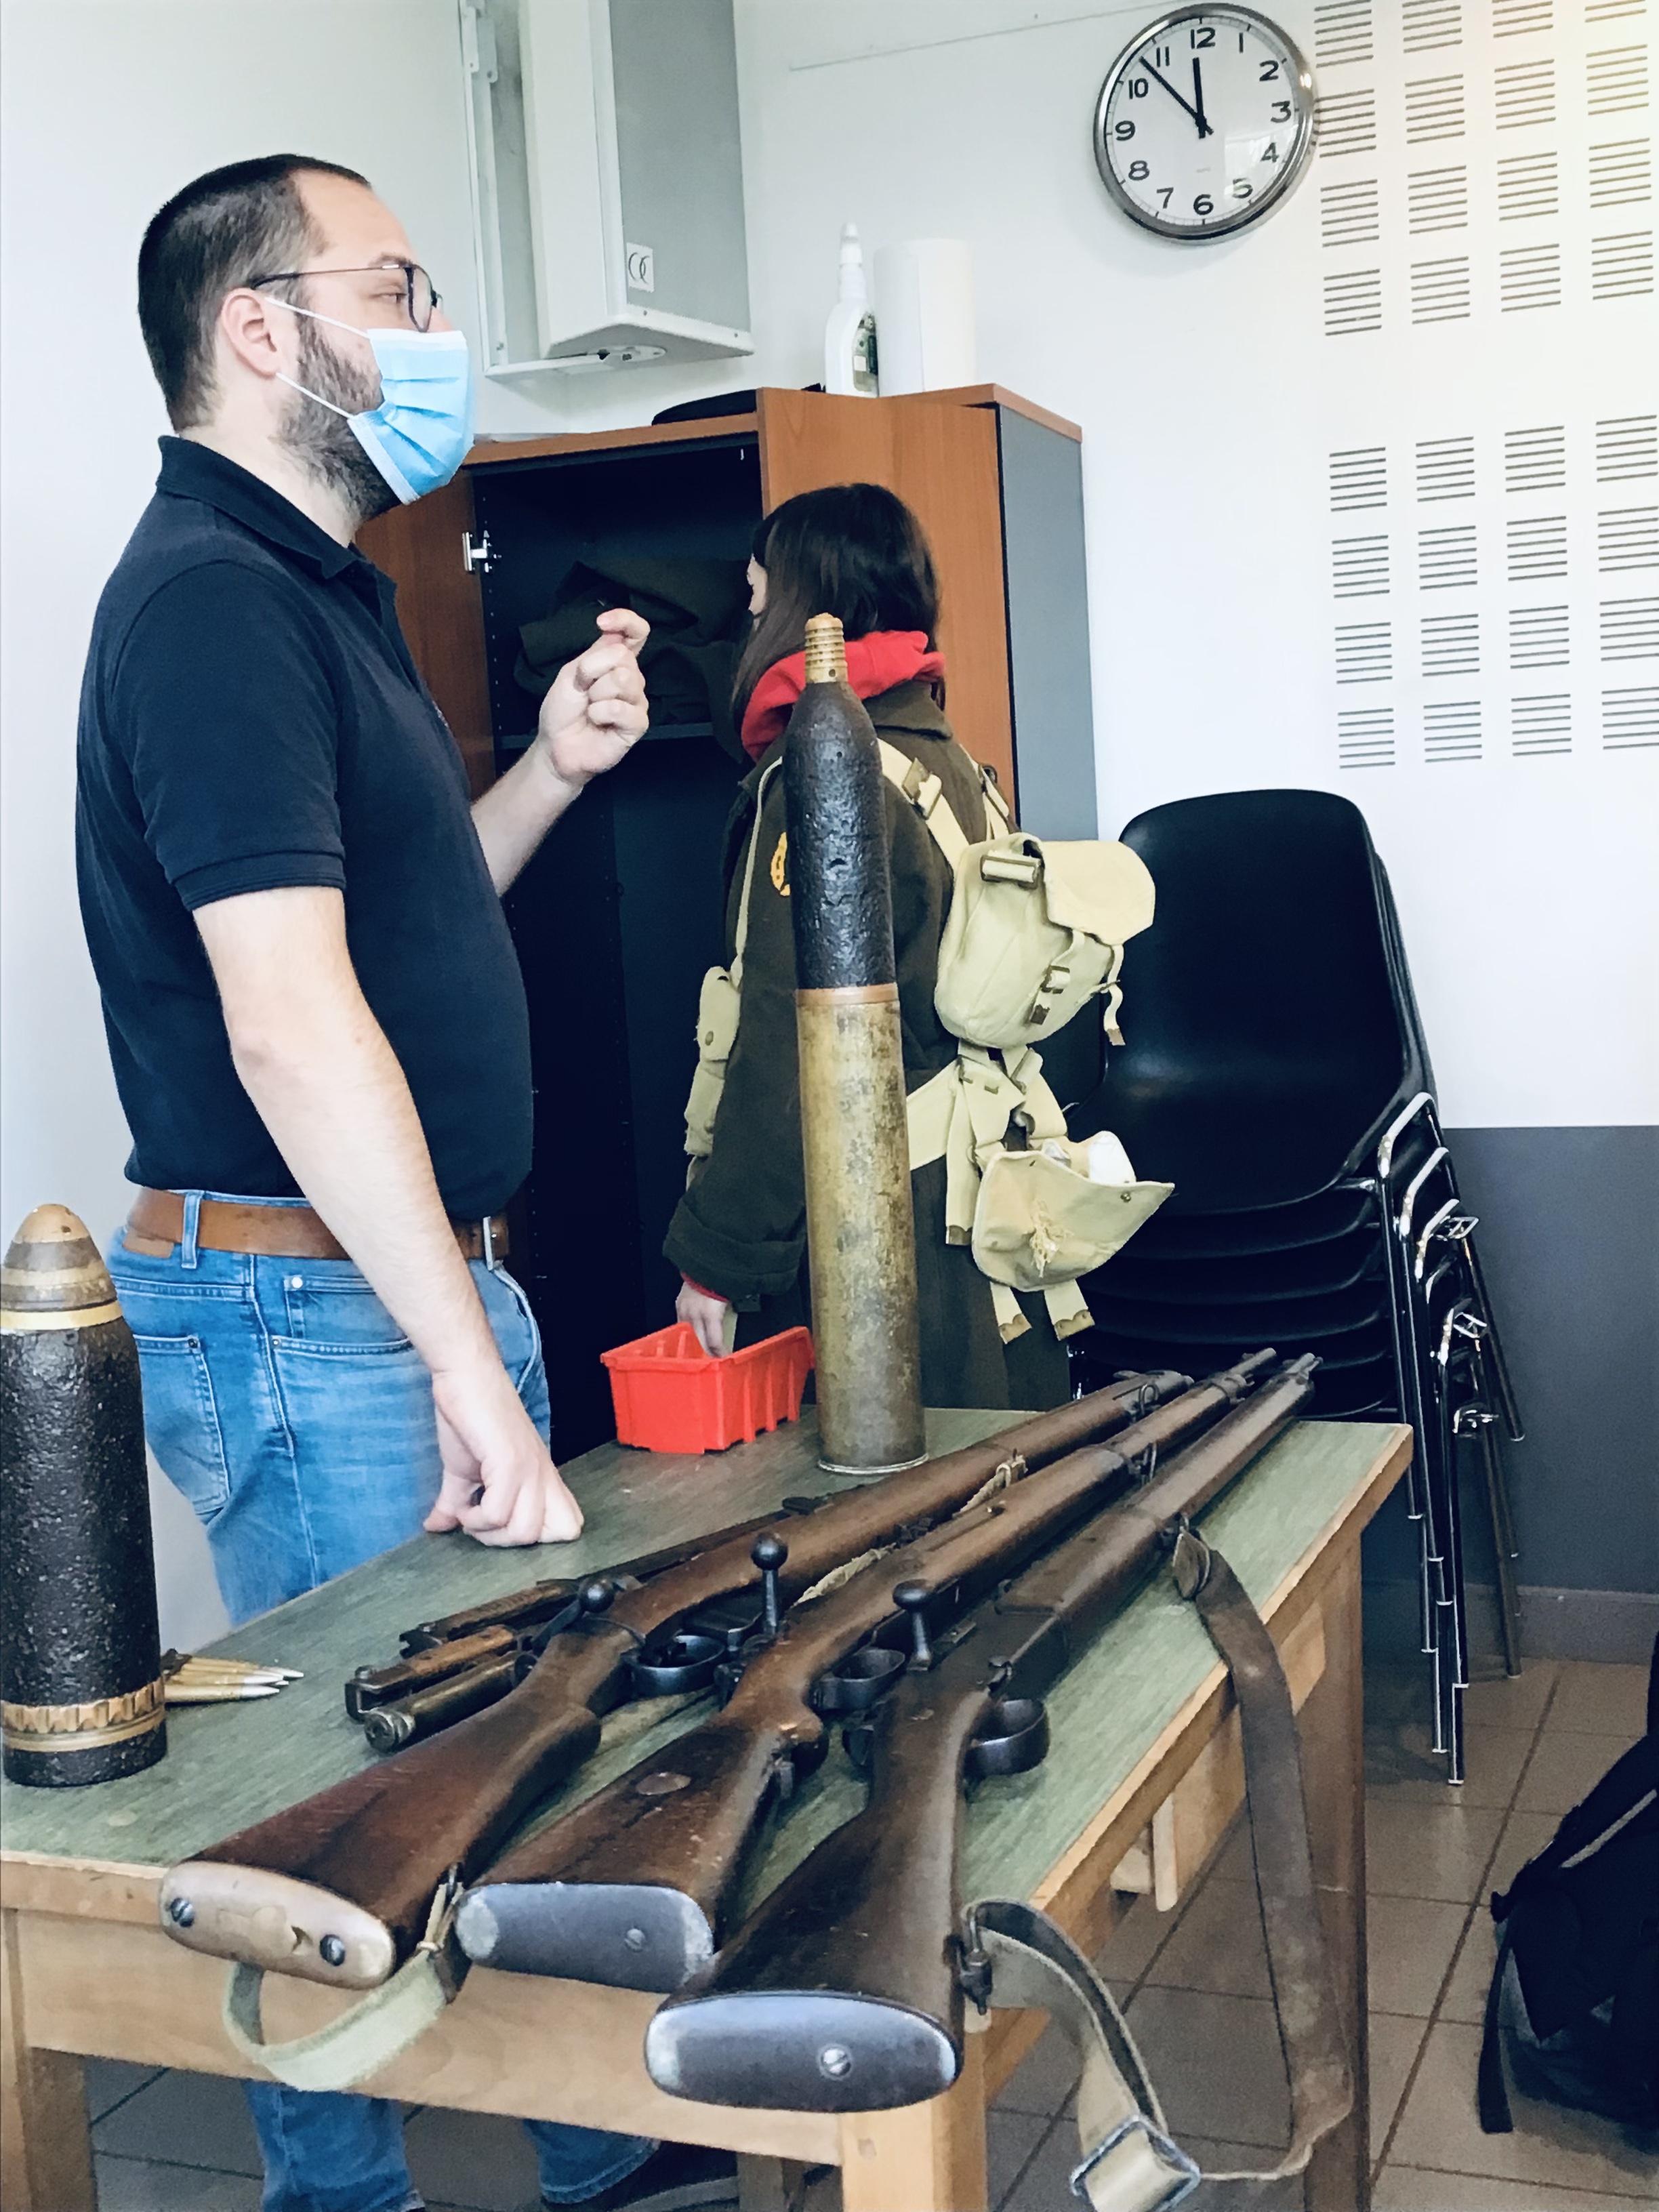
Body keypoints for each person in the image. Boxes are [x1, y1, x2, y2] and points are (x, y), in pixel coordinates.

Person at [77, 155, 731, 2212]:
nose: (441, 334)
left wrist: (549, 772)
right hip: (314, 1305)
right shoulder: (208, 605)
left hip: (393, 1282)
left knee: (493, 1751)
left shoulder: (320, 596)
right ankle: (342, 2195)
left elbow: (397, 937)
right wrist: (461, 1360)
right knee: (350, 1808)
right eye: (404, 288)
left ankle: (587, 2149)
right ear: (261, 328)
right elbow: (287, 1025)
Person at [667, 484, 1071, 1412]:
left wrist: (718, 1259)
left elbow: (788, 1038)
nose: (748, 621)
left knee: (883, 1486)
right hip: (980, 1206)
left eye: (759, 597)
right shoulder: (950, 762)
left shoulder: (827, 766)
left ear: (807, 604)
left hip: (877, 1237)